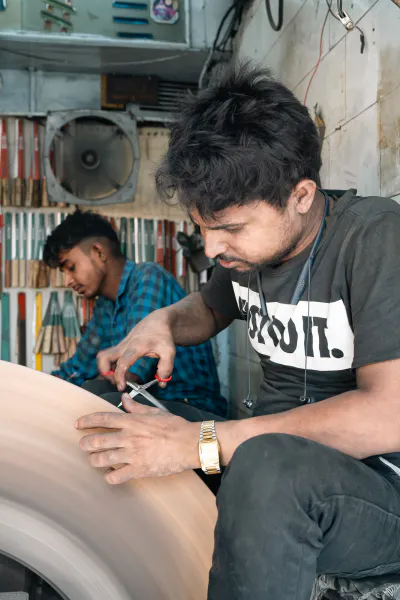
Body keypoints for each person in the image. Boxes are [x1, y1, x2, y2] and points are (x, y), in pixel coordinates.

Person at [75, 64, 400, 600]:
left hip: (375, 491)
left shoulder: (374, 237)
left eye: (229, 229)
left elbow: (389, 415)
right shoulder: (251, 255)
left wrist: (202, 443)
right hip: (258, 460)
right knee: (99, 412)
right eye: (203, 229)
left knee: (267, 469)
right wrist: (163, 324)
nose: (214, 249)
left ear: (301, 195)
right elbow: (208, 306)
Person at [43, 210, 227, 417]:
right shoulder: (106, 305)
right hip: (153, 405)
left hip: (193, 410)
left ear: (99, 252)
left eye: (71, 267)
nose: (67, 281)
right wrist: (38, 389)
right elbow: (79, 366)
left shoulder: (148, 278)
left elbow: (132, 373)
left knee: (96, 394)